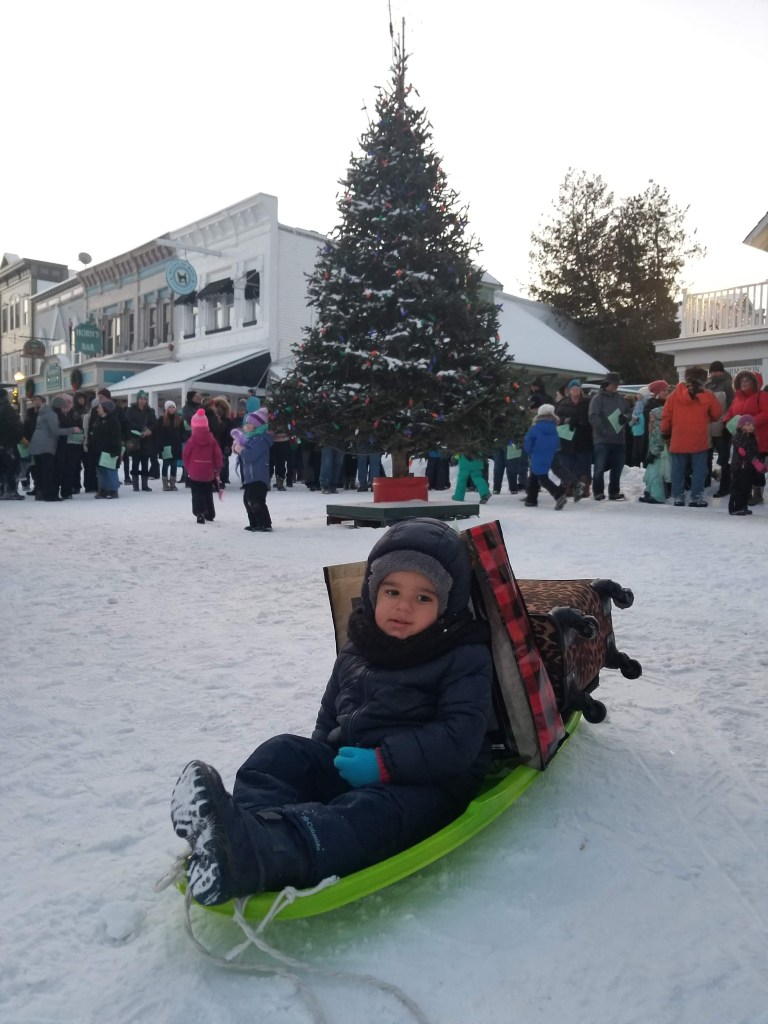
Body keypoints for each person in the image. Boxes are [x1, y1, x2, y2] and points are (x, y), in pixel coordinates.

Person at [170, 517, 492, 906]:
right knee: (281, 753)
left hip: (428, 783)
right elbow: (331, 712)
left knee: (366, 815)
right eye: (392, 591)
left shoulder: (462, 654)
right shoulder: (359, 647)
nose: (404, 606)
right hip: (353, 763)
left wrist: (385, 764)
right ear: (373, 592)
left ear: (446, 606)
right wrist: (320, 760)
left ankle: (271, 854)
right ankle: (247, 830)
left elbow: (460, 739)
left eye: (423, 597)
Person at [661, 366, 722, 507]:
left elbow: (666, 417)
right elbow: (716, 414)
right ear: (703, 379)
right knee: (699, 470)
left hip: (678, 439)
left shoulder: (674, 395)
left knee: (678, 470)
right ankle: (696, 497)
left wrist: (665, 433)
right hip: (699, 439)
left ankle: (678, 497)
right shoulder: (707, 395)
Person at [720, 371, 768, 507]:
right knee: (744, 467)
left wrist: (749, 423)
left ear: (754, 382)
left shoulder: (762, 396)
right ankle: (746, 493)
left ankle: (757, 494)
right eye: (741, 381)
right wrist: (726, 422)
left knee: (756, 467)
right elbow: (730, 412)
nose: (744, 383)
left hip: (759, 439)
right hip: (741, 440)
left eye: (747, 380)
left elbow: (766, 413)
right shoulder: (737, 398)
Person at [231, 407, 274, 532]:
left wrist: (241, 449)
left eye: (250, 423)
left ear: (257, 425)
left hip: (259, 475)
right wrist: (236, 447)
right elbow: (243, 449)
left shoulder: (260, 439)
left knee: (256, 500)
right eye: (247, 423)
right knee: (247, 500)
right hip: (250, 476)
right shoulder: (251, 438)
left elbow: (250, 455)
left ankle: (265, 523)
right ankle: (255, 522)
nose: (247, 426)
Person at [588, 372, 629, 501]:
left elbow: (629, 411)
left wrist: (625, 418)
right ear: (606, 384)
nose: (616, 386)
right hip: (602, 439)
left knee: (617, 469)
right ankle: (598, 492)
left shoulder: (620, 399)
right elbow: (593, 416)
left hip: (619, 439)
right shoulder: (597, 399)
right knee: (599, 468)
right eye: (614, 384)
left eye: (617, 384)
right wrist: (602, 430)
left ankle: (614, 492)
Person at [181, 408, 223, 524]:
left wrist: (188, 468)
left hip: (194, 470)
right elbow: (218, 455)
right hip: (208, 471)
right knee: (207, 492)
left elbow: (185, 455)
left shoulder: (191, 440)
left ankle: (199, 513)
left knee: (196, 492)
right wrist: (217, 468)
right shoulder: (212, 439)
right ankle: (210, 513)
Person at [522, 404, 567, 510]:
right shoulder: (553, 427)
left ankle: (558, 495)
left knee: (542, 478)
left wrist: (528, 451)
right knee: (534, 475)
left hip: (537, 453)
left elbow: (528, 442)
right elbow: (557, 442)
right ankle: (531, 499)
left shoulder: (535, 427)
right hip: (549, 454)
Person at [554, 380, 593, 499]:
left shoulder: (588, 402)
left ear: (580, 389)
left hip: (584, 438)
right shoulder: (563, 403)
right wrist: (566, 420)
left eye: (577, 388)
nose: (575, 391)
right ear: (569, 391)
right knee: (567, 464)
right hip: (567, 439)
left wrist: (581, 421)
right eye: (572, 389)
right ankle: (568, 487)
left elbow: (592, 416)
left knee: (583, 465)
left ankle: (585, 488)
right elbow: (556, 417)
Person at [705, 361, 734, 498]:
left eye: (716, 371)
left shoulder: (728, 384)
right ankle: (705, 483)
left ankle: (725, 486)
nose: (714, 374)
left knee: (724, 459)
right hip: (707, 428)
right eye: (712, 371)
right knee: (706, 458)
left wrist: (727, 425)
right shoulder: (707, 385)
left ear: (722, 371)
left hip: (721, 427)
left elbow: (732, 406)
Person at [728, 415, 765, 516]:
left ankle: (743, 506)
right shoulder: (740, 436)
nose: (751, 427)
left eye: (752, 425)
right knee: (739, 488)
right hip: (740, 467)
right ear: (741, 426)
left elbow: (752, 451)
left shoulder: (751, 437)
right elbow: (747, 452)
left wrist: (757, 461)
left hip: (748, 467)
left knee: (747, 488)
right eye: (748, 425)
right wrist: (756, 462)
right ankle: (736, 508)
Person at [125, 390, 157, 492]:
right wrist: (141, 428)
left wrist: (149, 430)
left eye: (144, 399)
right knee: (135, 462)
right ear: (137, 399)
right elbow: (129, 422)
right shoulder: (131, 410)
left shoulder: (150, 411)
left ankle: (145, 484)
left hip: (147, 440)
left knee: (145, 462)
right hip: (136, 439)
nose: (143, 401)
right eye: (141, 399)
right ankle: (135, 485)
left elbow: (155, 423)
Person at [91, 399, 123, 498]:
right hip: (98, 450)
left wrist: (115, 451)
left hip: (110, 451)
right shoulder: (98, 420)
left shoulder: (113, 421)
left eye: (100, 407)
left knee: (110, 470)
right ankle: (103, 489)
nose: (97, 409)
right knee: (101, 471)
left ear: (105, 409)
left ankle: (113, 490)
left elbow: (116, 437)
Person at [0, 387, 25, 499]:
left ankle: (2, 489)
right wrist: (21, 437)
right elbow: (14, 425)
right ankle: (11, 490)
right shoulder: (7, 409)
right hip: (8, 443)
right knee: (12, 466)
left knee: (2, 467)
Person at [155, 401, 184, 490]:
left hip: (176, 446)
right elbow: (159, 433)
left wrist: (180, 440)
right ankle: (165, 484)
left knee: (174, 465)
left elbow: (182, 432)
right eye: (170, 407)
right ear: (166, 409)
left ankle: (172, 483)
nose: (172, 409)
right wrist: (160, 445)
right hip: (166, 446)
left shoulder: (179, 419)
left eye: (173, 407)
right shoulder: (162, 419)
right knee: (166, 464)